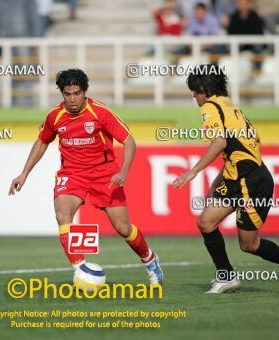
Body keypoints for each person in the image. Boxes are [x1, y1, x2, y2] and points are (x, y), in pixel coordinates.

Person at [9, 69, 164, 285]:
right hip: (72, 174)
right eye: (67, 94)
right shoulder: (55, 116)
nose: (72, 99)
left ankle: (149, 260)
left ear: (85, 92)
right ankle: (82, 269)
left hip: (105, 174)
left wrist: (124, 172)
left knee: (123, 228)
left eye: (77, 93)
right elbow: (43, 141)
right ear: (62, 93)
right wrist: (24, 173)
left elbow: (129, 141)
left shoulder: (100, 113)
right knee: (63, 214)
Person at [173, 65, 279, 294]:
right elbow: (234, 149)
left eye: (194, 92)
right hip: (238, 177)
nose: (194, 97)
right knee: (206, 223)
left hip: (251, 182)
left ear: (203, 89)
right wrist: (218, 180)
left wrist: (193, 172)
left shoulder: (210, 107)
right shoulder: (229, 105)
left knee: (249, 245)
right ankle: (227, 276)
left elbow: (219, 143)